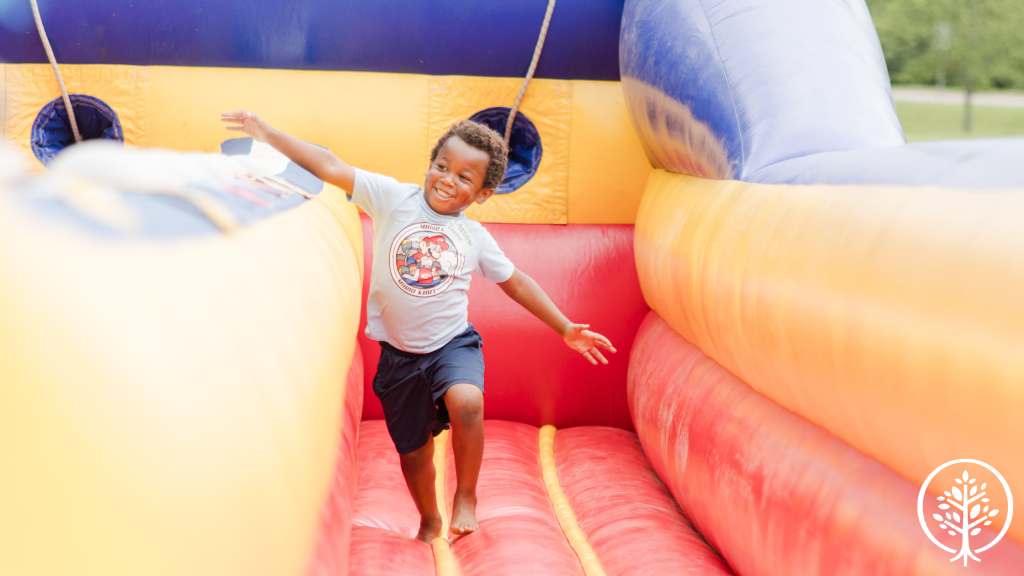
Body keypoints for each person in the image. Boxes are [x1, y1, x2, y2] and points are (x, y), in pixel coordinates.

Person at [221, 111, 616, 543]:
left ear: (483, 194)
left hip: (452, 344)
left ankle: (466, 495)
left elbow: (517, 283)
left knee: (467, 403)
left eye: (465, 177)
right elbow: (331, 166)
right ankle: (429, 516)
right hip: (399, 358)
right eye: (442, 166)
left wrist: (564, 327)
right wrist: (268, 134)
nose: (448, 179)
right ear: (430, 164)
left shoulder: (474, 238)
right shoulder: (394, 198)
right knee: (413, 455)